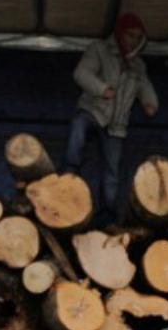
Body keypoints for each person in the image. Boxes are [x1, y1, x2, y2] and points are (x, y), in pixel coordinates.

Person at [67, 12, 160, 222]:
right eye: (130, 35)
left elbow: (145, 87)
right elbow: (80, 73)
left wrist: (150, 103)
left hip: (117, 124)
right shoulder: (99, 50)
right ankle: (69, 171)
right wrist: (101, 89)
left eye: (138, 37)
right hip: (94, 111)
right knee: (79, 125)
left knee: (112, 174)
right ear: (119, 34)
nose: (133, 40)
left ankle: (107, 214)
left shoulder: (138, 65)